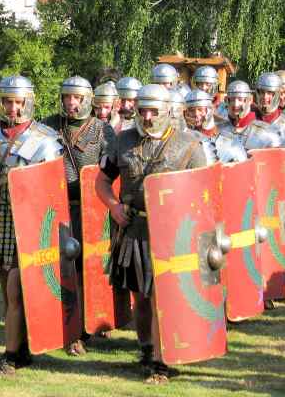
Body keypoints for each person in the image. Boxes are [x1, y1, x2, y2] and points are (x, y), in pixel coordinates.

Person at [95, 84, 207, 384]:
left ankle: (162, 360)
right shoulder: (122, 141)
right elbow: (102, 181)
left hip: (173, 235)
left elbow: (204, 195)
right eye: (142, 110)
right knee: (141, 298)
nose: (146, 116)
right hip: (134, 231)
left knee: (162, 297)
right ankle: (146, 348)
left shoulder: (191, 146)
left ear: (168, 111)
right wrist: (114, 207)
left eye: (153, 111)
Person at [0, 75, 64, 376]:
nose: (13, 108)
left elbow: (52, 185)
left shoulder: (44, 139)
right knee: (7, 290)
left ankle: (9, 356)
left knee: (18, 288)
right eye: (8, 101)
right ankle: (21, 347)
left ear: (27, 102)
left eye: (18, 102)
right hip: (1, 217)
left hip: (31, 219)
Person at [41, 76, 117, 356]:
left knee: (87, 269)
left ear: (87, 100)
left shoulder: (103, 131)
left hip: (89, 210)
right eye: (66, 97)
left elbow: (111, 173)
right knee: (56, 269)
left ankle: (81, 331)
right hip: (54, 208)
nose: (70, 102)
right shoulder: (47, 126)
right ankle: (58, 325)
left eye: (76, 97)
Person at [183, 89, 246, 164]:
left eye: (200, 109)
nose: (196, 114)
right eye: (191, 110)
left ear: (209, 110)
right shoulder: (184, 136)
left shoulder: (227, 135)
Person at [217, 80, 283, 150]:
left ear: (250, 100)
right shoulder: (221, 127)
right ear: (227, 100)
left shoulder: (265, 131)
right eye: (232, 99)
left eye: (240, 99)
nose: (236, 104)